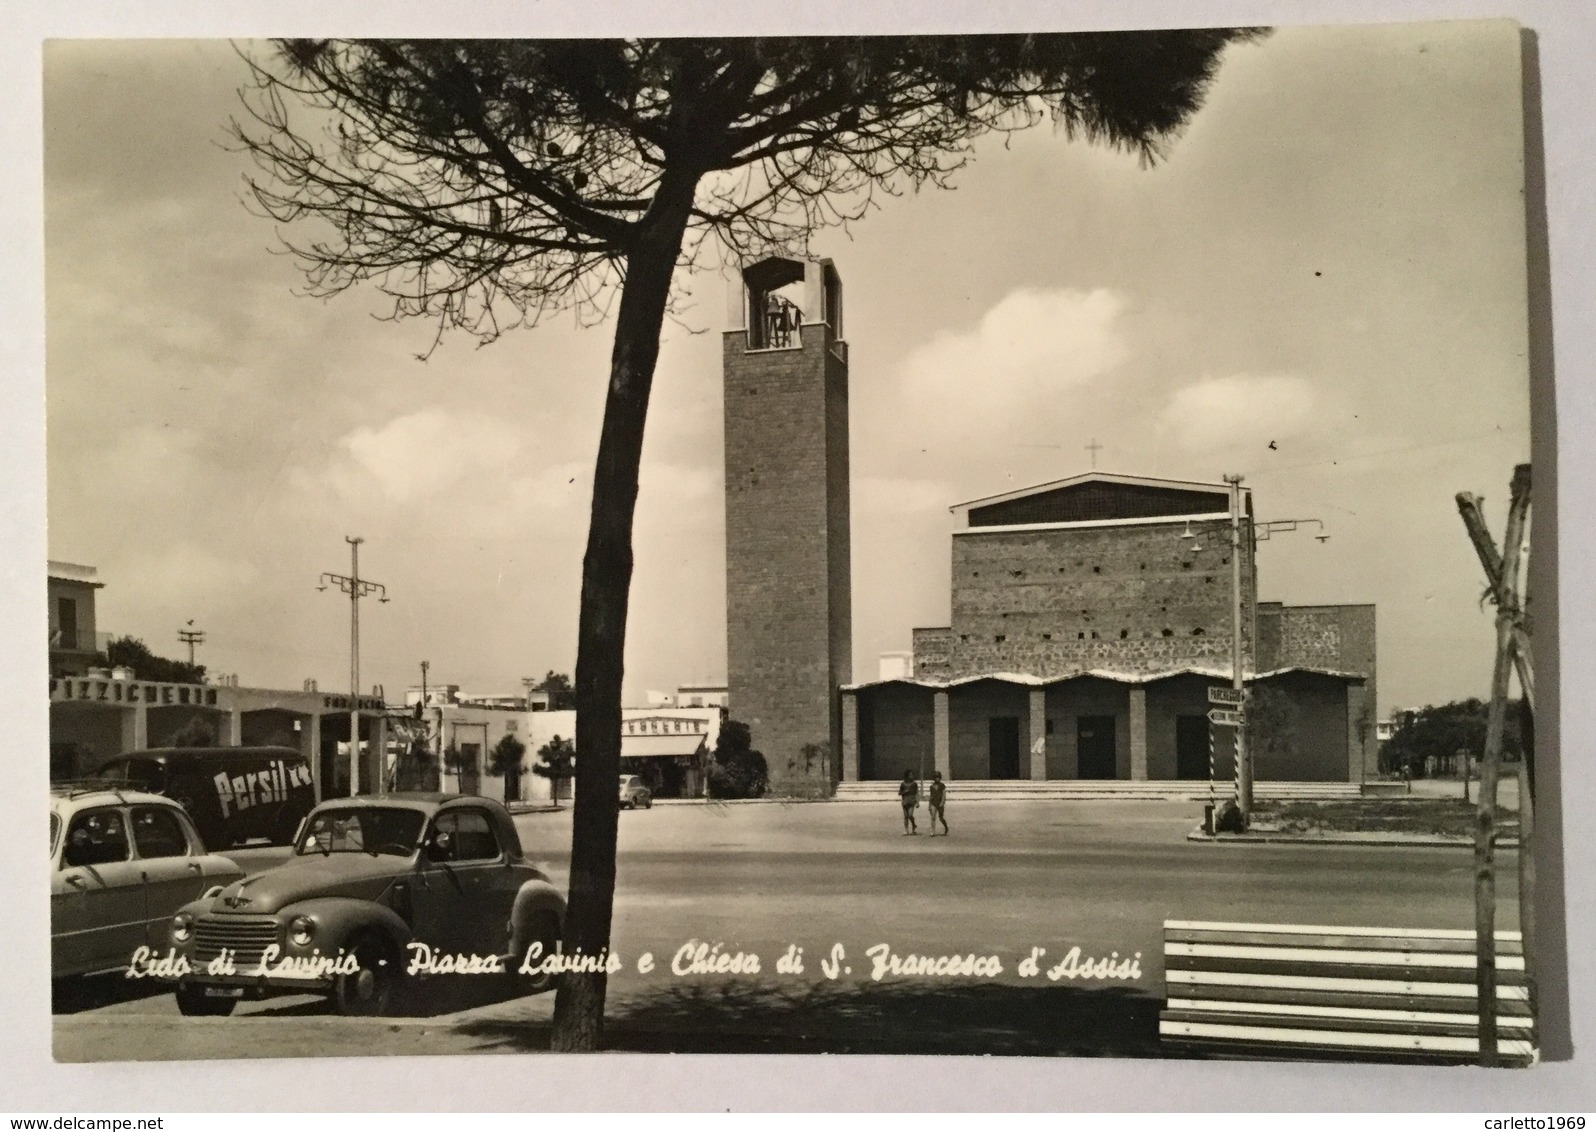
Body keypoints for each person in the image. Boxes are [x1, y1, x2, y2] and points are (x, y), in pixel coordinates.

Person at [897, 770, 920, 835]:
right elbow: (899, 793)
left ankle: (913, 824)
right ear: (907, 776)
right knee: (906, 816)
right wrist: (905, 792)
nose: (912, 776)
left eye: (912, 775)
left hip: (912, 801)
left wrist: (917, 802)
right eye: (910, 775)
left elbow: (916, 793)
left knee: (910, 814)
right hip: (905, 801)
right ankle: (906, 830)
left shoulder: (914, 784)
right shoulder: (903, 784)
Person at [927, 770, 949, 836]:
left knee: (941, 817)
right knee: (933, 817)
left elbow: (943, 794)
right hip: (934, 803)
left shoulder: (942, 785)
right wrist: (929, 805)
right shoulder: (932, 786)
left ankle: (945, 826)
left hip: (940, 803)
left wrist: (942, 802)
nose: (937, 779)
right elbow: (931, 796)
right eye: (936, 777)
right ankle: (932, 831)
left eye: (938, 777)